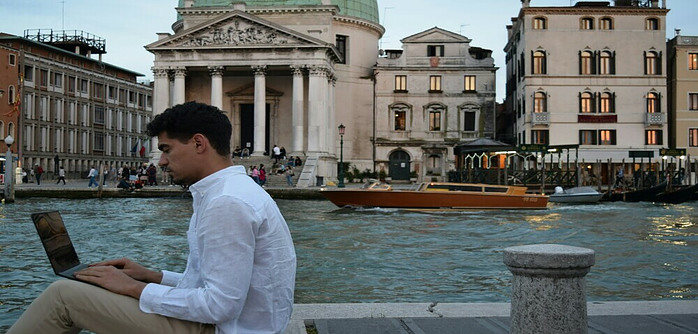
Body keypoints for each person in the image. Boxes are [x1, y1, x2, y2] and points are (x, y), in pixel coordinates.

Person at [8, 101, 297, 334]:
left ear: (199, 144)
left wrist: (133, 287)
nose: (160, 161)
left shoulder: (226, 202)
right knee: (82, 287)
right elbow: (218, 286)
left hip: (221, 329)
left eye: (166, 149)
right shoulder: (234, 191)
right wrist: (152, 276)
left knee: (63, 297)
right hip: (242, 325)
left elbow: (220, 306)